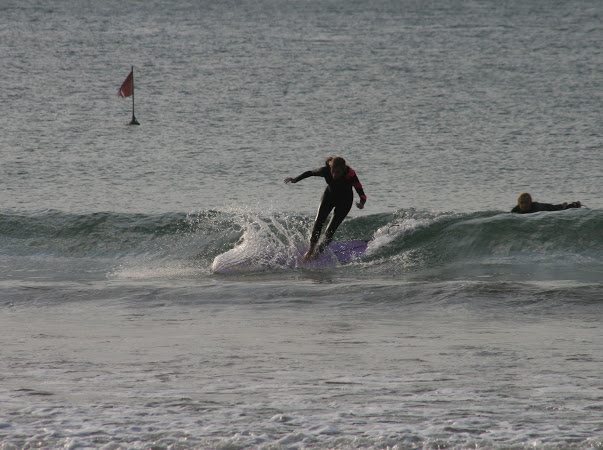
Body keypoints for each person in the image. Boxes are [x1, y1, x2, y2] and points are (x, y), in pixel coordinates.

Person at [285, 156, 366, 262]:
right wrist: (295, 179)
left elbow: (361, 193)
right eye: (333, 172)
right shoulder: (326, 170)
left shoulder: (350, 175)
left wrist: (361, 203)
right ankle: (310, 251)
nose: (335, 175)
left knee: (330, 231)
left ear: (343, 170)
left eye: (338, 172)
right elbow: (310, 173)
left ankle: (317, 253)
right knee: (318, 222)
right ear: (330, 169)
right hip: (329, 197)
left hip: (345, 203)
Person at [511, 192, 581, 214]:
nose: (524, 205)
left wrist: (560, 207)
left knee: (560, 209)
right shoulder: (515, 210)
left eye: (526, 202)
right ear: (518, 203)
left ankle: (574, 204)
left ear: (530, 202)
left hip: (546, 208)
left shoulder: (536, 207)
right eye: (522, 203)